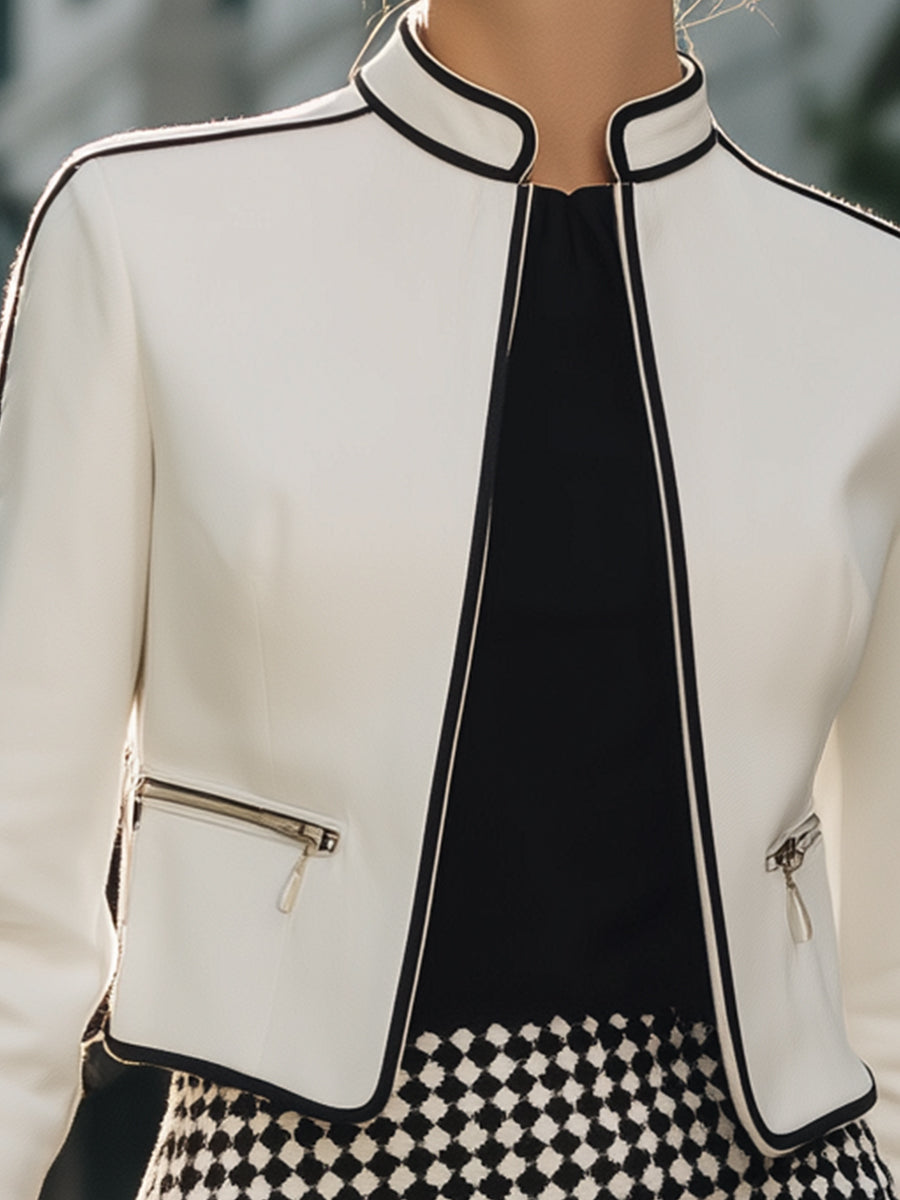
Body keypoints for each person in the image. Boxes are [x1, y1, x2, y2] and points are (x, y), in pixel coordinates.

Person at [1, 0, 899, 1196]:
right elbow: (14, 910)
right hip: (303, 1166)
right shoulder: (142, 233)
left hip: (776, 1168)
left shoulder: (867, 303)